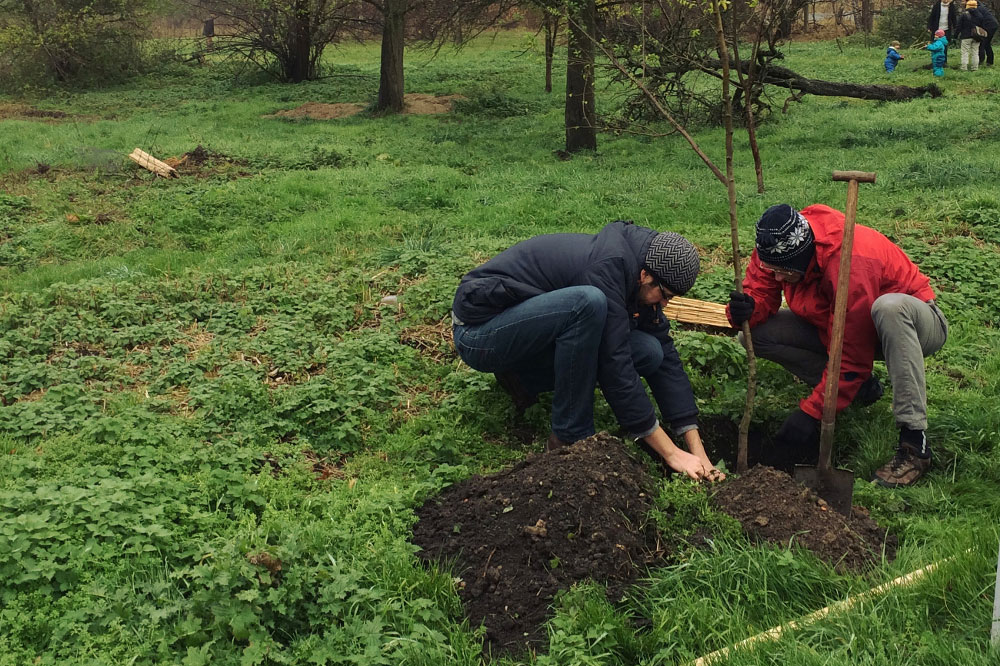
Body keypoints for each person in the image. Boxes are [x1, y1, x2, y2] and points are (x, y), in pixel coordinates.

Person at [451, 221, 723, 482]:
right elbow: (615, 363)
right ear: (645, 276)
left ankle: (523, 379)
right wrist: (671, 453)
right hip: (481, 332)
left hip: (526, 335)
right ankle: (569, 437)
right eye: (664, 295)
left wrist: (697, 451)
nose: (664, 304)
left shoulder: (643, 269)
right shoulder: (607, 270)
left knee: (650, 351)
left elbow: (665, 354)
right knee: (587, 303)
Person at [726, 204, 948, 488]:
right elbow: (761, 290)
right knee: (752, 336)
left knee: (889, 308)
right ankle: (859, 388)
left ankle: (914, 443)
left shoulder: (851, 262)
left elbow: (852, 354)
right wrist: (746, 309)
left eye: (784, 273)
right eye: (772, 270)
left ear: (801, 258)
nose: (777, 279)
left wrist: (811, 412)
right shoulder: (775, 245)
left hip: (911, 326)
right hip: (834, 327)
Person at [957, 0, 986, 70]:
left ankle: (964, 67)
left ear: (967, 6)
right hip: (976, 37)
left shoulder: (964, 15)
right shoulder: (980, 15)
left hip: (965, 36)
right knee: (975, 52)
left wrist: (955, 35)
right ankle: (975, 68)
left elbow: (959, 26)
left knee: (965, 53)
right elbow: (982, 27)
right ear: (976, 6)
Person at [977, 0, 999, 65]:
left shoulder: (977, 9)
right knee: (986, 44)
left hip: (989, 26)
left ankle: (981, 62)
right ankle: (989, 61)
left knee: (982, 43)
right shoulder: (981, 7)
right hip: (993, 25)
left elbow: (978, 19)